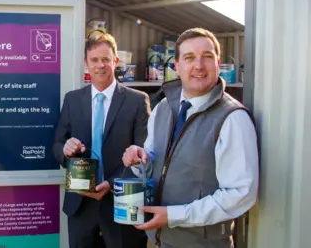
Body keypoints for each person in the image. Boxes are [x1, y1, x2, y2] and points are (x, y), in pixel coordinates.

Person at [122, 27, 259, 248]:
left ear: (217, 62)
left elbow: (240, 194)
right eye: (189, 58)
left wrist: (175, 216)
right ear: (177, 66)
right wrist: (140, 160)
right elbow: (154, 163)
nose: (199, 65)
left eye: (207, 57)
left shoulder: (232, 118)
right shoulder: (163, 108)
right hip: (157, 240)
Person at [53, 32, 151, 248]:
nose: (100, 65)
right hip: (80, 204)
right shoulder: (72, 99)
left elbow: (145, 154)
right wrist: (66, 150)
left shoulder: (136, 101)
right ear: (86, 63)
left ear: (116, 61)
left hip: (123, 202)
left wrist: (112, 182)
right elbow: (57, 145)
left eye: (106, 59)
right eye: (94, 60)